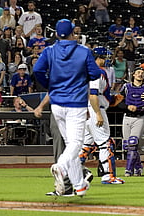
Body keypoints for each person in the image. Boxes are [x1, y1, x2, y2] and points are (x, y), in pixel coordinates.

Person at [33, 19, 101, 197]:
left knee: (70, 145)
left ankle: (79, 185)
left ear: (56, 34)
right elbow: (95, 73)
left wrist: (50, 85)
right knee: (75, 145)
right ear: (73, 33)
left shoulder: (49, 51)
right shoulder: (83, 51)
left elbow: (37, 70)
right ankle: (61, 168)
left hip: (57, 104)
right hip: (76, 103)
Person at [79, 50, 125, 184]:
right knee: (106, 143)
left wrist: (110, 100)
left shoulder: (84, 72)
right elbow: (93, 95)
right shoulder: (96, 72)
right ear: (98, 58)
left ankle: (70, 170)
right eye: (104, 57)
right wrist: (98, 113)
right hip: (95, 109)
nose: (106, 60)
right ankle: (107, 176)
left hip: (86, 110)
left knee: (86, 145)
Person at [116, 67, 144, 177]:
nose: (140, 74)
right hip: (127, 117)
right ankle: (138, 167)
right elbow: (118, 102)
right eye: (138, 72)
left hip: (140, 117)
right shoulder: (126, 87)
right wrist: (127, 107)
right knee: (127, 146)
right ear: (133, 74)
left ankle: (128, 170)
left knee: (133, 142)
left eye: (142, 73)